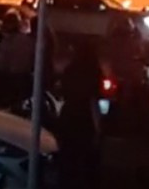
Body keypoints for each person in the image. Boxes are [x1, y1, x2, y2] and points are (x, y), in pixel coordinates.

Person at [58, 42, 105, 189]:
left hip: (69, 115)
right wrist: (98, 128)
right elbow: (94, 99)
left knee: (68, 158)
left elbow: (63, 92)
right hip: (85, 118)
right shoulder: (94, 71)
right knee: (89, 158)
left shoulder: (70, 70)